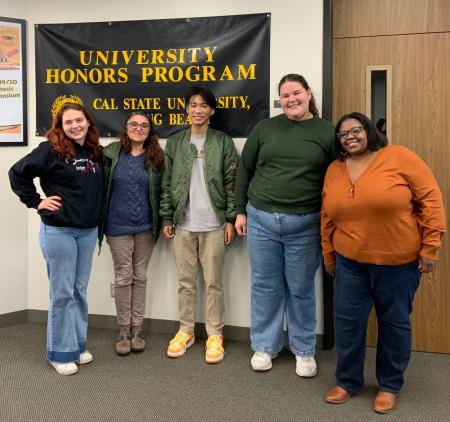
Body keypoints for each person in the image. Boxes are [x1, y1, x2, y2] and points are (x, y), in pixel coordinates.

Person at [321, 112, 446, 413]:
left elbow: (431, 200)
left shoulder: (399, 157)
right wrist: (328, 253)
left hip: (398, 264)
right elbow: (327, 215)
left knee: (394, 324)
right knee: (348, 324)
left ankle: (389, 385)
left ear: (369, 131)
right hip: (351, 263)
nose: (349, 137)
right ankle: (348, 381)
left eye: (356, 130)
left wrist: (431, 247)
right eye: (343, 134)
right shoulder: (335, 170)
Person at [235, 74, 335, 376]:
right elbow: (245, 169)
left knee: (301, 289)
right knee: (265, 286)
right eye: (285, 95)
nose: (291, 99)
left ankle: (303, 350)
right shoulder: (265, 128)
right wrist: (240, 211)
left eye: (296, 93)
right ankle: (265, 346)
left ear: (308, 94)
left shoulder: (327, 131)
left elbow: (339, 176)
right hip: (261, 221)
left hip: (305, 224)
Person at [9, 102, 103, 375]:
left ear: (88, 121)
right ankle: (58, 352)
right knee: (62, 293)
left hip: (87, 231)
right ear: (60, 126)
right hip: (59, 230)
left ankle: (76, 345)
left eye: (79, 120)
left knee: (78, 290)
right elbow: (17, 173)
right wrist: (36, 202)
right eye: (68, 122)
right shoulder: (49, 149)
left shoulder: (94, 150)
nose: (74, 125)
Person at [160, 86, 238, 364]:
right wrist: (167, 217)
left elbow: (232, 183)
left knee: (214, 283)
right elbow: (167, 183)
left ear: (212, 111)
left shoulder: (223, 142)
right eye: (193, 105)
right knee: (185, 283)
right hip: (183, 224)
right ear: (186, 109)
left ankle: (215, 334)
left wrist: (230, 218)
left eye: (203, 105)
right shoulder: (176, 142)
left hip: (214, 224)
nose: (197, 110)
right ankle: (186, 331)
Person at [99, 111, 164, 356]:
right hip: (117, 227)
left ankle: (138, 329)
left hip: (146, 227)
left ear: (150, 130)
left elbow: (163, 192)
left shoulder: (157, 157)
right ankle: (123, 331)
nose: (138, 128)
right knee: (124, 277)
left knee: (140, 276)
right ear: (125, 128)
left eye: (144, 125)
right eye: (133, 124)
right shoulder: (111, 153)